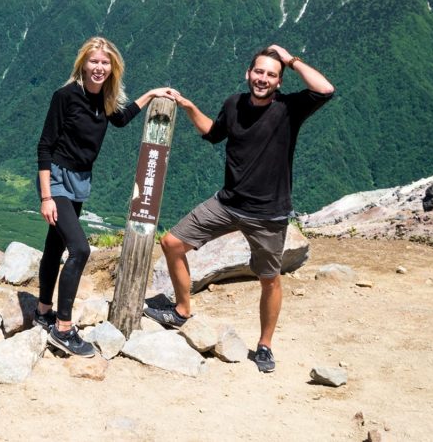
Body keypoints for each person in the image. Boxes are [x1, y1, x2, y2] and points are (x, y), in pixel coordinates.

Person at [143, 44, 334, 373]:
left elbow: (325, 89)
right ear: (248, 73)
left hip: (268, 215)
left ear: (279, 80)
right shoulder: (233, 104)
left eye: (271, 75)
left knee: (269, 279)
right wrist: (188, 105)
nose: (263, 79)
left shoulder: (290, 108)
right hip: (228, 202)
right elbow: (213, 132)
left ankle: (264, 345)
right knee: (172, 242)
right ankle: (182, 309)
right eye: (258, 72)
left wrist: (291, 59)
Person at [35, 36, 174, 357]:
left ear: (113, 68)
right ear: (82, 64)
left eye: (105, 63)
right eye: (94, 61)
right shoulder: (65, 96)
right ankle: (63, 329)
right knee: (80, 249)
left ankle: (43, 312)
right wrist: (46, 196)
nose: (99, 68)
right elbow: (44, 145)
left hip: (80, 180)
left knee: (54, 245)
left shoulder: (105, 100)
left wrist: (152, 94)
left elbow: (122, 120)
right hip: (56, 179)